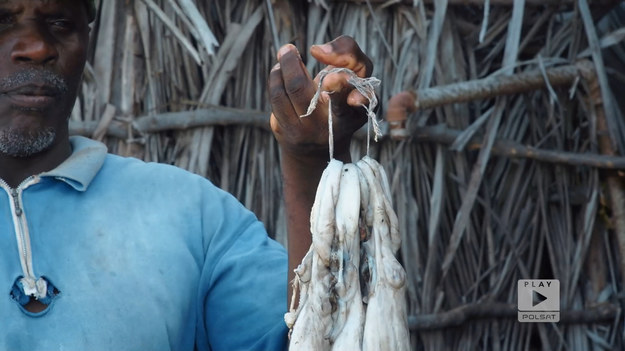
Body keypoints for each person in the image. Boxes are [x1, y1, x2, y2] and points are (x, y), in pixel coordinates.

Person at [0, 1, 373, 350]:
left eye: (60, 23)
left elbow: (316, 337)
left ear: (85, 39)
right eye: (2, 21)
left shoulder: (190, 213)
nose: (36, 47)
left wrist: (313, 161)